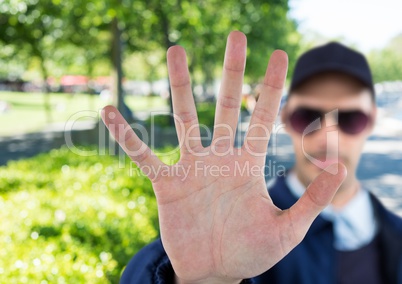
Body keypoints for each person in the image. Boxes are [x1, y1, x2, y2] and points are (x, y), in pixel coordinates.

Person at [101, 31, 402, 283]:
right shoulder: (237, 222)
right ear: (284, 118)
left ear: (373, 120)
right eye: (308, 117)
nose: (327, 135)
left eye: (349, 118)